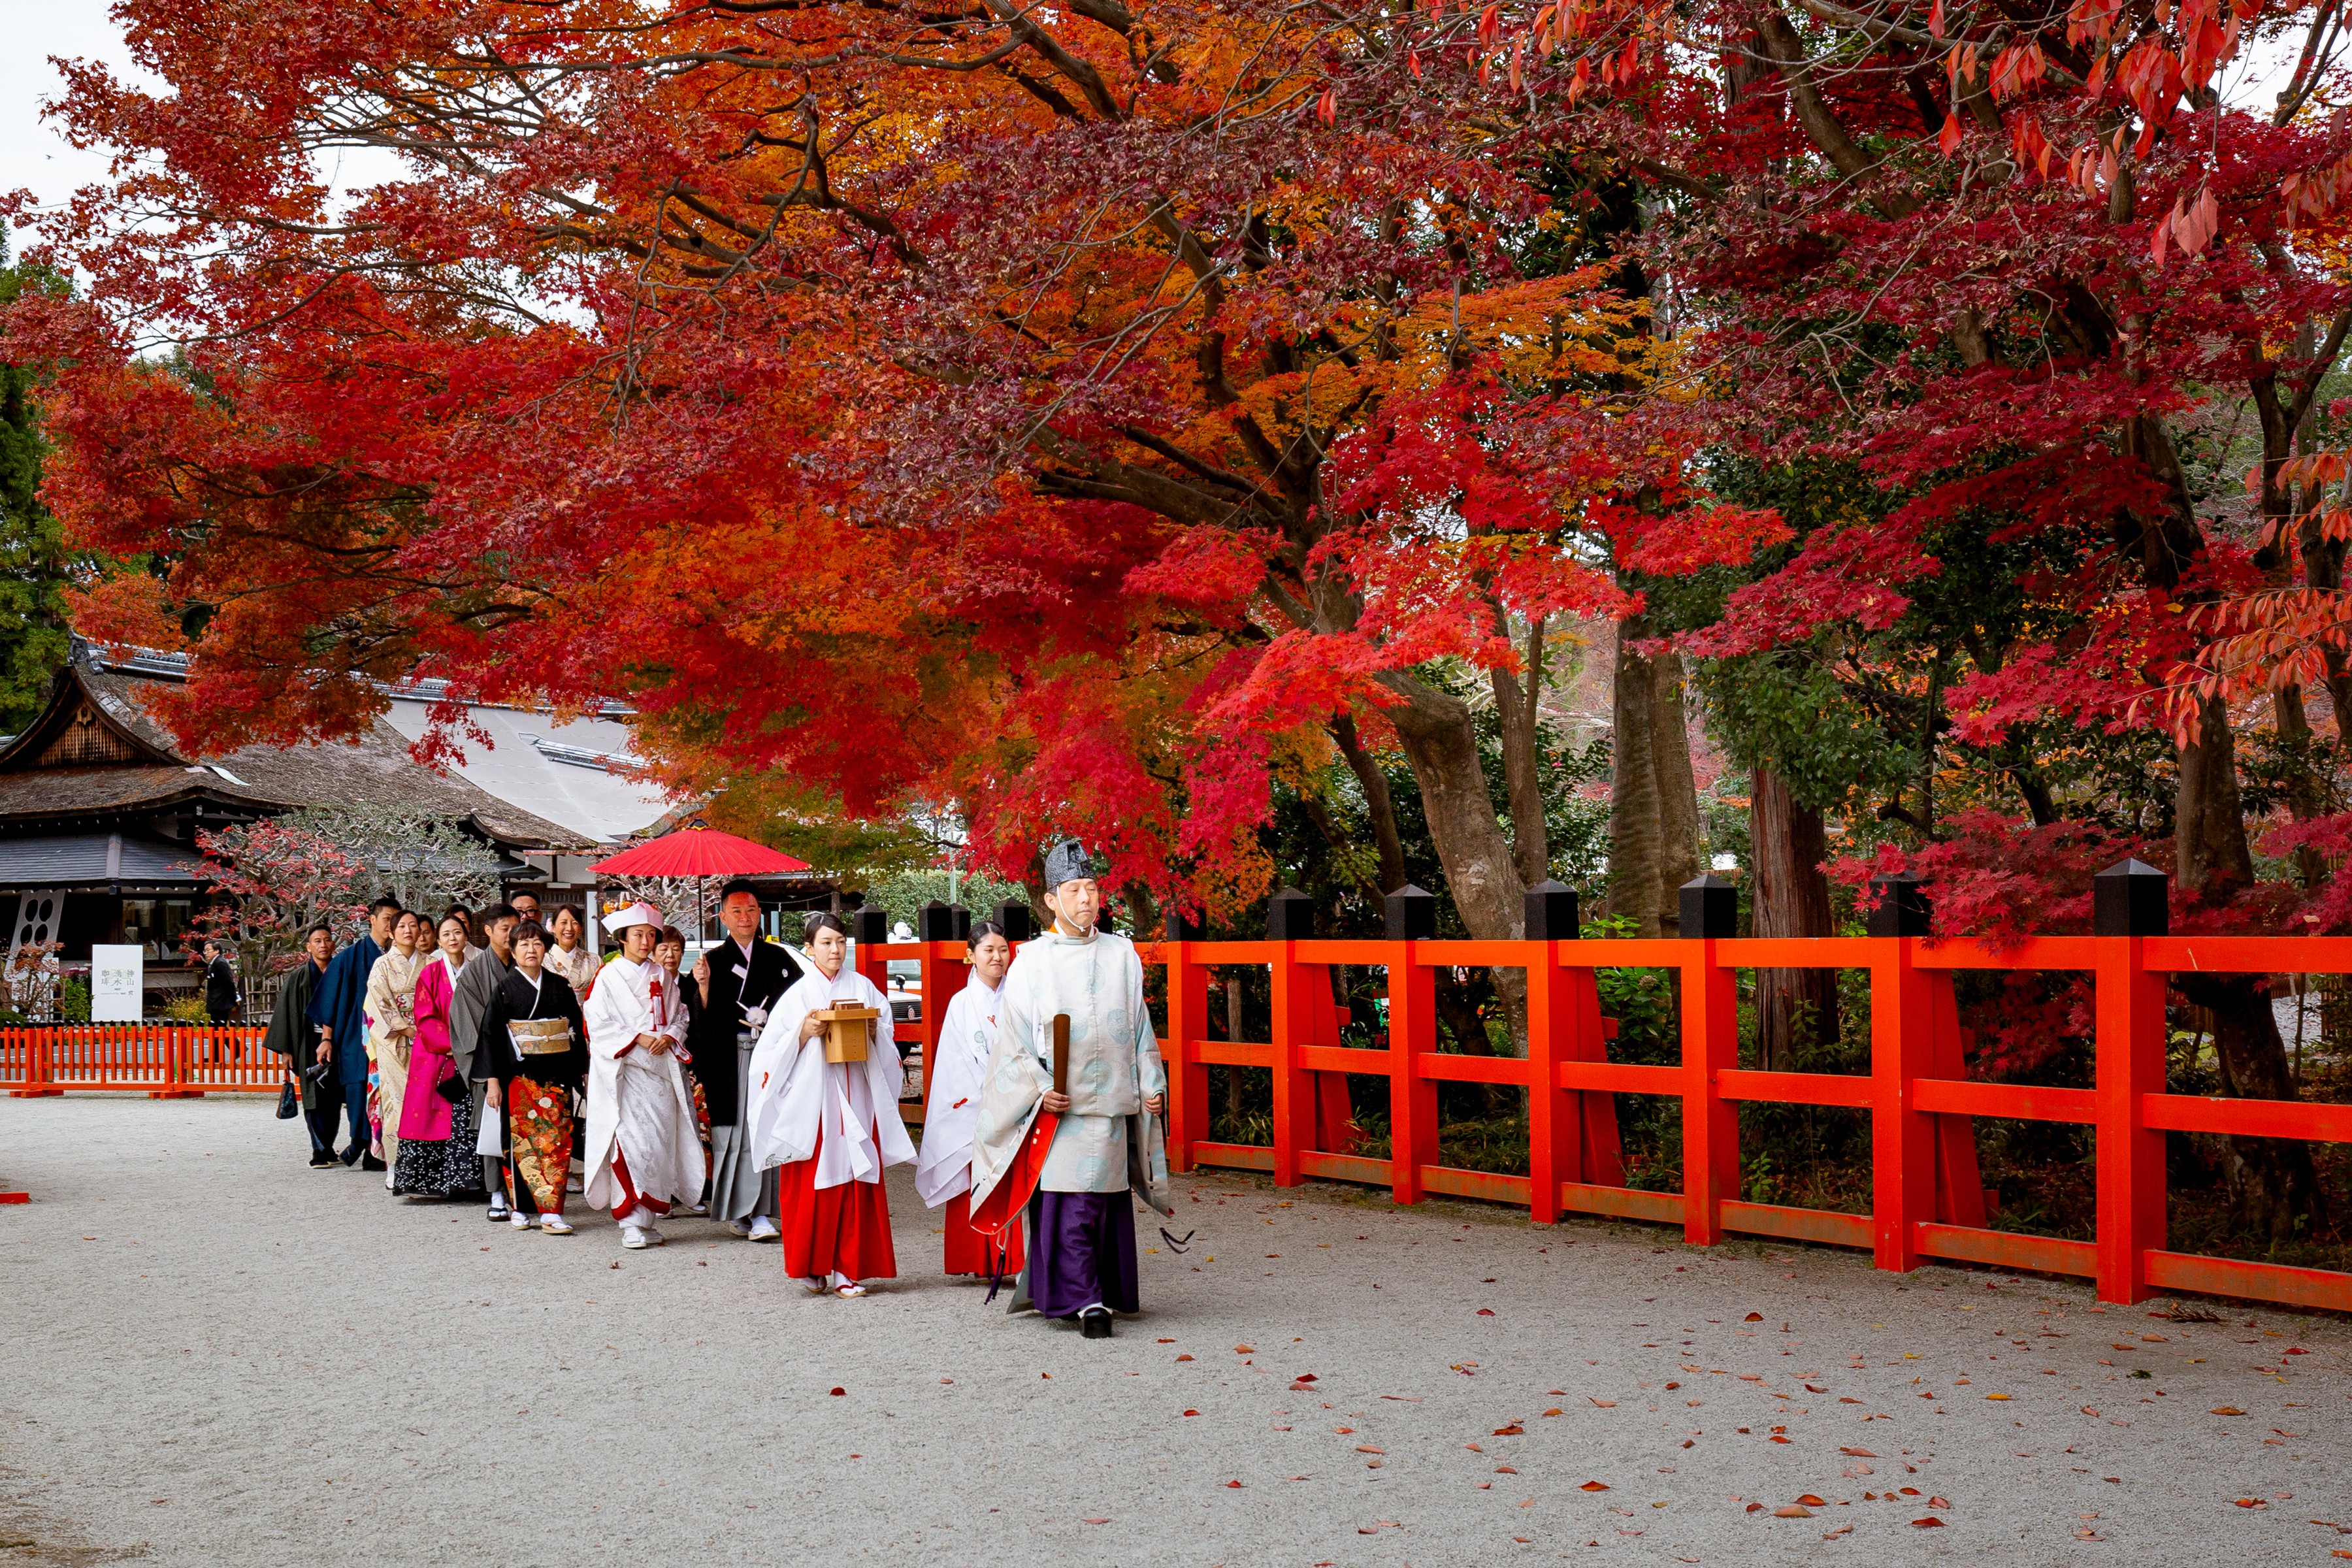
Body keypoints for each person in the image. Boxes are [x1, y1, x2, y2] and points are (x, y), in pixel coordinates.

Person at [968, 839, 1170, 1339]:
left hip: (1113, 1100)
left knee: (1104, 1201)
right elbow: (1013, 1042)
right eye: (1074, 889)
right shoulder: (1031, 961)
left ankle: (1099, 1291)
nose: (1086, 898)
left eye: (1093, 887)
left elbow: (1141, 1029)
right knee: (1071, 1203)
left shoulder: (1122, 953)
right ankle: (1085, 1300)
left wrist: (1151, 1082)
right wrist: (1039, 1088)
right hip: (1060, 1107)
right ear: (1050, 900)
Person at [747, 911, 912, 1297]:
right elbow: (769, 1056)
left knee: (856, 1182)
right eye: (825, 943)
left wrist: (874, 1032)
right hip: (815, 1103)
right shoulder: (797, 996)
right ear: (809, 948)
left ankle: (847, 1269)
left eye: (840, 942)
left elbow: (887, 1043)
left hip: (857, 1095)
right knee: (811, 1184)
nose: (835, 949)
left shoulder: (866, 988)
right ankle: (812, 1265)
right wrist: (802, 1033)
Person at [581, 901, 704, 1250]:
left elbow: (680, 1014)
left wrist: (670, 1035)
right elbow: (598, 1022)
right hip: (626, 1074)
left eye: (651, 935)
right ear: (622, 938)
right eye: (638, 935)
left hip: (661, 1072)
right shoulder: (607, 977)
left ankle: (648, 1219)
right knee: (630, 1145)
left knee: (659, 1145)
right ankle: (630, 1222)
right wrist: (637, 1037)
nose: (646, 941)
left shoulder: (663, 976)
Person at [689, 881, 803, 1241]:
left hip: (770, 1055)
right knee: (738, 1132)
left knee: (766, 1127)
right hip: (730, 1058)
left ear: (760, 914)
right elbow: (698, 1018)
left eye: (751, 910)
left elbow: (799, 1000)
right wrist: (703, 987)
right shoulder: (713, 962)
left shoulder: (779, 958)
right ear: (722, 917)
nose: (744, 917)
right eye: (736, 911)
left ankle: (761, 1211)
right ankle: (746, 1211)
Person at [915, 921, 1026, 1278]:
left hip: (1019, 1100)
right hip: (975, 1103)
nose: (997, 957)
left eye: (1003, 949)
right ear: (971, 956)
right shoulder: (960, 1004)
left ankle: (1018, 1259)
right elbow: (953, 1063)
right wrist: (986, 1095)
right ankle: (976, 1260)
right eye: (988, 951)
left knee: (1017, 1180)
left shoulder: (1023, 995)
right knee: (974, 1178)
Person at [474, 919, 589, 1234]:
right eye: (523, 944)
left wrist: (583, 1072)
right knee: (520, 1143)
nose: (531, 949)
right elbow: (490, 1035)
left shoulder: (559, 985)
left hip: (556, 1077)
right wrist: (493, 1081)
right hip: (518, 1078)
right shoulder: (505, 988)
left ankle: (552, 1210)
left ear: (546, 949)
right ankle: (520, 1207)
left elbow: (575, 1030)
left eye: (537, 944)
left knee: (556, 1142)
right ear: (512, 949)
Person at [391, 912, 482, 1198]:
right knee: (432, 1114)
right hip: (437, 1056)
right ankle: (430, 1183)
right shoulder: (430, 973)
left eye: (457, 933)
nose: (452, 938)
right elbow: (425, 1017)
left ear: (466, 936)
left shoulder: (477, 970)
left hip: (472, 1053)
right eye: (446, 934)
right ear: (437, 940)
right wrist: (459, 1045)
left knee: (467, 1115)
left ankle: (469, 1182)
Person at [310, 896, 398, 1169]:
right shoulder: (350, 957)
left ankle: (382, 1149)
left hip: (394, 1036)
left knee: (392, 1092)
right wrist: (326, 1039)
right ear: (372, 920)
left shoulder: (400, 957)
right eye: (386, 919)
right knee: (360, 1092)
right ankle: (363, 1145)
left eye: (395, 921)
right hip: (356, 1037)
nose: (390, 926)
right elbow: (331, 1001)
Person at [451, 903, 518, 1218]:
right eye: (505, 929)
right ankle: (496, 1193)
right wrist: (491, 1068)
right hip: (492, 1063)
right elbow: (472, 1027)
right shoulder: (474, 974)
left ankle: (528, 1189)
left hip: (528, 1061)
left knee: (528, 1127)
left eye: (514, 927)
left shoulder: (527, 966)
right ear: (488, 931)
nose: (512, 935)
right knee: (494, 1127)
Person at [263, 924, 338, 1168]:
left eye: (327, 940)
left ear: (334, 944)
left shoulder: (341, 973)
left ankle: (327, 1145)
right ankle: (319, 1149)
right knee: (312, 1097)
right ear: (309, 947)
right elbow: (285, 1012)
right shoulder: (298, 977)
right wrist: (286, 1049)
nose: (323, 945)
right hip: (307, 1042)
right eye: (317, 941)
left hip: (337, 1041)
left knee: (333, 1097)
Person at [363, 911, 424, 1179]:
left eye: (413, 925)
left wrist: (427, 1031)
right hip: (396, 1042)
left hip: (428, 1041)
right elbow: (378, 1002)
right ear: (391, 932)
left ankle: (425, 1164)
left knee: (427, 1101)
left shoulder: (432, 963)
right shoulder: (382, 965)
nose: (408, 930)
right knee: (395, 1102)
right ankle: (395, 1165)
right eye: (402, 926)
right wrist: (408, 1028)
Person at [544, 906, 596, 1004]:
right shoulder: (543, 961)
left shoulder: (594, 960)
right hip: (556, 1017)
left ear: (580, 928)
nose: (569, 928)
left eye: (575, 923)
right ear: (554, 928)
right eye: (563, 923)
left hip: (587, 1016)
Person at [201, 941, 239, 1026]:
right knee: (218, 1028)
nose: (206, 953)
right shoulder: (214, 963)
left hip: (221, 1002)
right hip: (216, 1002)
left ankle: (232, 1039)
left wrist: (233, 999)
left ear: (217, 950)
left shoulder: (220, 963)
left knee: (220, 1027)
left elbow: (228, 983)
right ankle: (230, 1039)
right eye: (204, 951)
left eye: (208, 950)